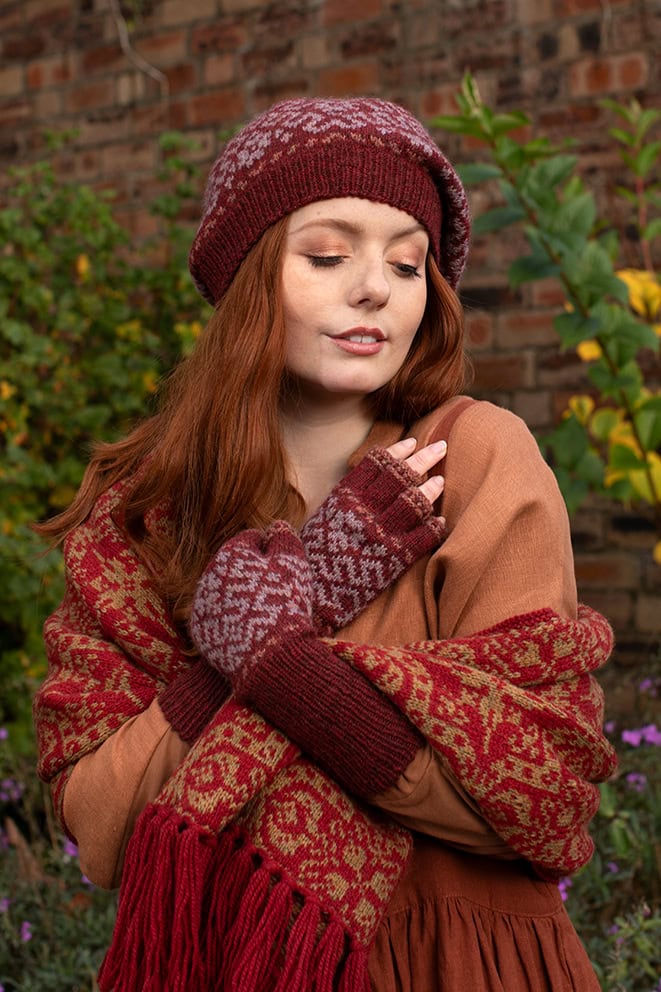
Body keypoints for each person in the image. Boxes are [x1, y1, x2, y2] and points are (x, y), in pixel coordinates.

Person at [34, 97, 617, 992]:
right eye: (329, 254)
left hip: (452, 965)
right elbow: (100, 825)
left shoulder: (469, 462)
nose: (375, 287)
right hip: (227, 959)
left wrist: (280, 665)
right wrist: (277, 620)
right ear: (248, 276)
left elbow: (540, 798)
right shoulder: (149, 512)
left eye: (407, 262)